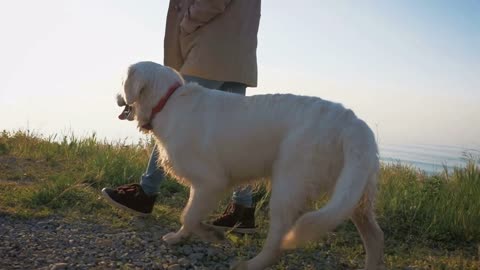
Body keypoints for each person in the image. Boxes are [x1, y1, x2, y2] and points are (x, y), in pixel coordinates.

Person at [102, 0, 261, 233]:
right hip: (237, 54)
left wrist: (187, 21)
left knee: (173, 117)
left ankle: (146, 193)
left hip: (209, 49)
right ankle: (243, 210)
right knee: (234, 133)